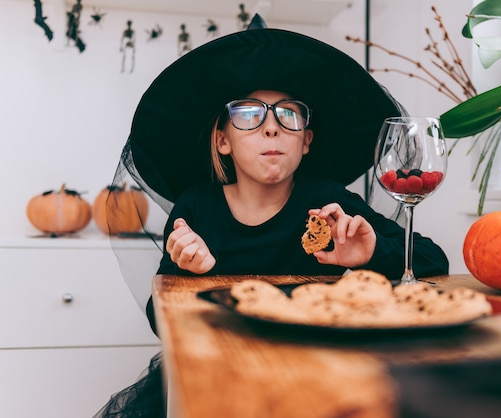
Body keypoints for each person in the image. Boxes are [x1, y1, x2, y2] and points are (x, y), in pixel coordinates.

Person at [96, 15, 448, 418]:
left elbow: (432, 259)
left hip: (317, 374)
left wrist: (373, 253)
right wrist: (188, 271)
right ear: (223, 141)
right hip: (218, 374)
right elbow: (161, 321)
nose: (271, 129)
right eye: (248, 115)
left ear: (306, 141)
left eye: (289, 115)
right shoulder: (196, 208)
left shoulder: (329, 201)